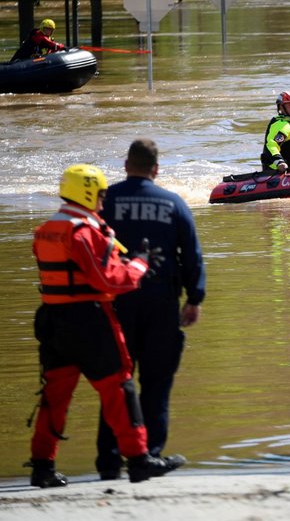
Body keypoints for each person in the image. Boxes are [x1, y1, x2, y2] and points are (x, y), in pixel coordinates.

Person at [27, 164, 182, 488]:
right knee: (119, 388)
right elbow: (109, 279)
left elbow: (77, 272)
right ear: (87, 192)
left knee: (54, 396)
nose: (102, 201)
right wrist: (139, 264)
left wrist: (123, 260)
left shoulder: (46, 229)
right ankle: (139, 460)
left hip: (53, 322)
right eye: (99, 195)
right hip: (89, 322)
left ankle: (42, 466)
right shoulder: (84, 231)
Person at [95, 139, 206, 481]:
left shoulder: (105, 201)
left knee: (116, 383)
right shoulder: (173, 203)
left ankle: (110, 460)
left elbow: (88, 246)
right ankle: (148, 456)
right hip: (161, 304)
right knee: (156, 383)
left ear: (126, 165)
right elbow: (191, 254)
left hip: (115, 304)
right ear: (156, 169)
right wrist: (194, 298)